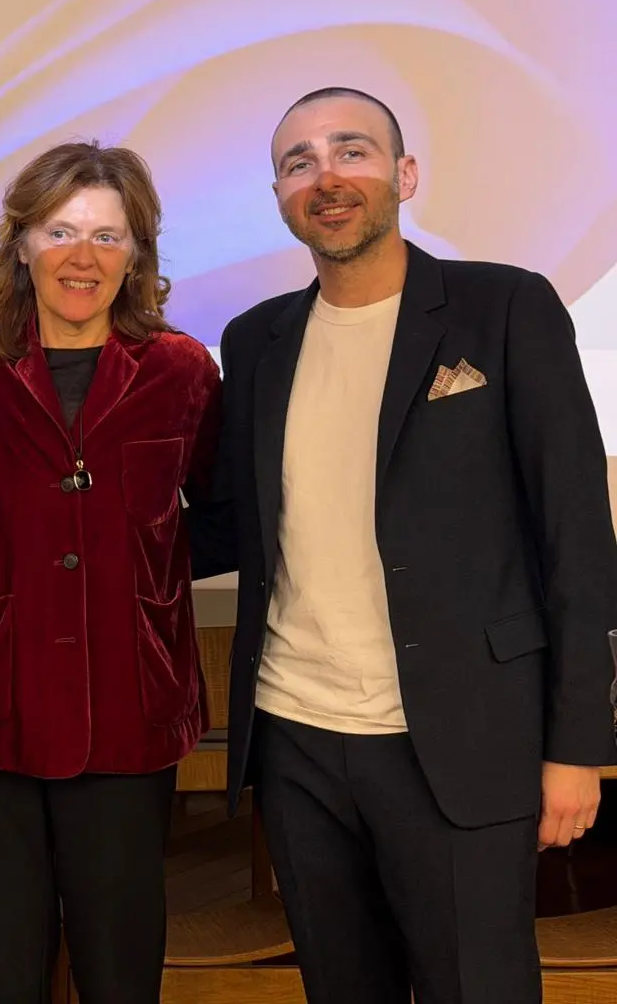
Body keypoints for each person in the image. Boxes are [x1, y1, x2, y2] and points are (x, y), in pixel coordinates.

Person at [196, 86, 617, 1003]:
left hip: (465, 740)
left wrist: (578, 745)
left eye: (352, 150)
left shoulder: (505, 306)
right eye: (299, 162)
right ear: (279, 196)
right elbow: (230, 523)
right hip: (298, 740)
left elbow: (577, 537)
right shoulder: (256, 339)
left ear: (405, 174)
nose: (326, 176)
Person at [0, 141, 221, 1002]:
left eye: (107, 236)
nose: (83, 256)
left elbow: (223, 515)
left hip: (128, 703)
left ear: (136, 254)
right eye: (60, 231)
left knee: (119, 966)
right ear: (21, 244)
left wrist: (143, 582)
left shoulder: (184, 372)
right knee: (7, 963)